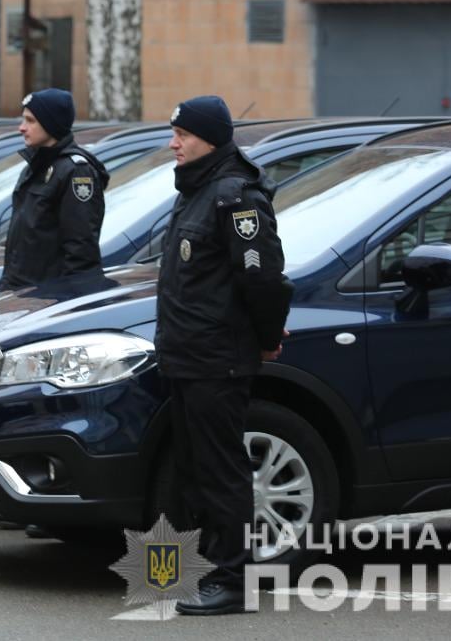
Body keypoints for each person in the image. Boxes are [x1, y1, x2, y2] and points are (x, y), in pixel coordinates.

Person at [153, 95, 292, 617]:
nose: (174, 143)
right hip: (186, 354)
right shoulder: (196, 190)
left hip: (217, 356)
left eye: (182, 134)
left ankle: (233, 580)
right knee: (186, 470)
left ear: (209, 137)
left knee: (220, 469)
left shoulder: (235, 197)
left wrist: (267, 335)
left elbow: (263, 279)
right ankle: (186, 572)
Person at [0, 89, 109, 291]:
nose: (22, 128)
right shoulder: (36, 166)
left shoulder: (76, 171)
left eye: (30, 121)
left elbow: (80, 251)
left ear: (51, 124)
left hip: (46, 301)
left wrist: (66, 307)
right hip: (20, 295)